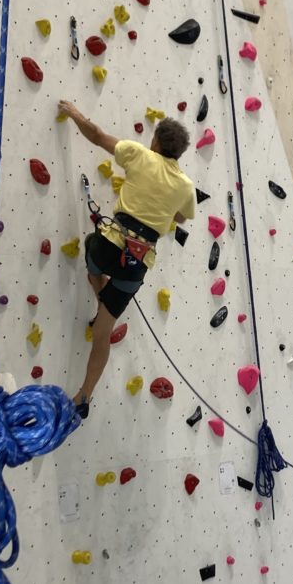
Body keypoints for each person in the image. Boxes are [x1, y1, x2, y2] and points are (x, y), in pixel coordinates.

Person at [57, 100, 196, 416]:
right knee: (102, 333)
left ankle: (100, 298)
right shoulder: (185, 186)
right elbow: (182, 218)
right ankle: (84, 396)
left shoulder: (140, 155)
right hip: (136, 266)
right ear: (179, 153)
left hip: (107, 248)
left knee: (93, 258)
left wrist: (75, 113)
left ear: (156, 141)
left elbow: (97, 136)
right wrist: (162, 204)